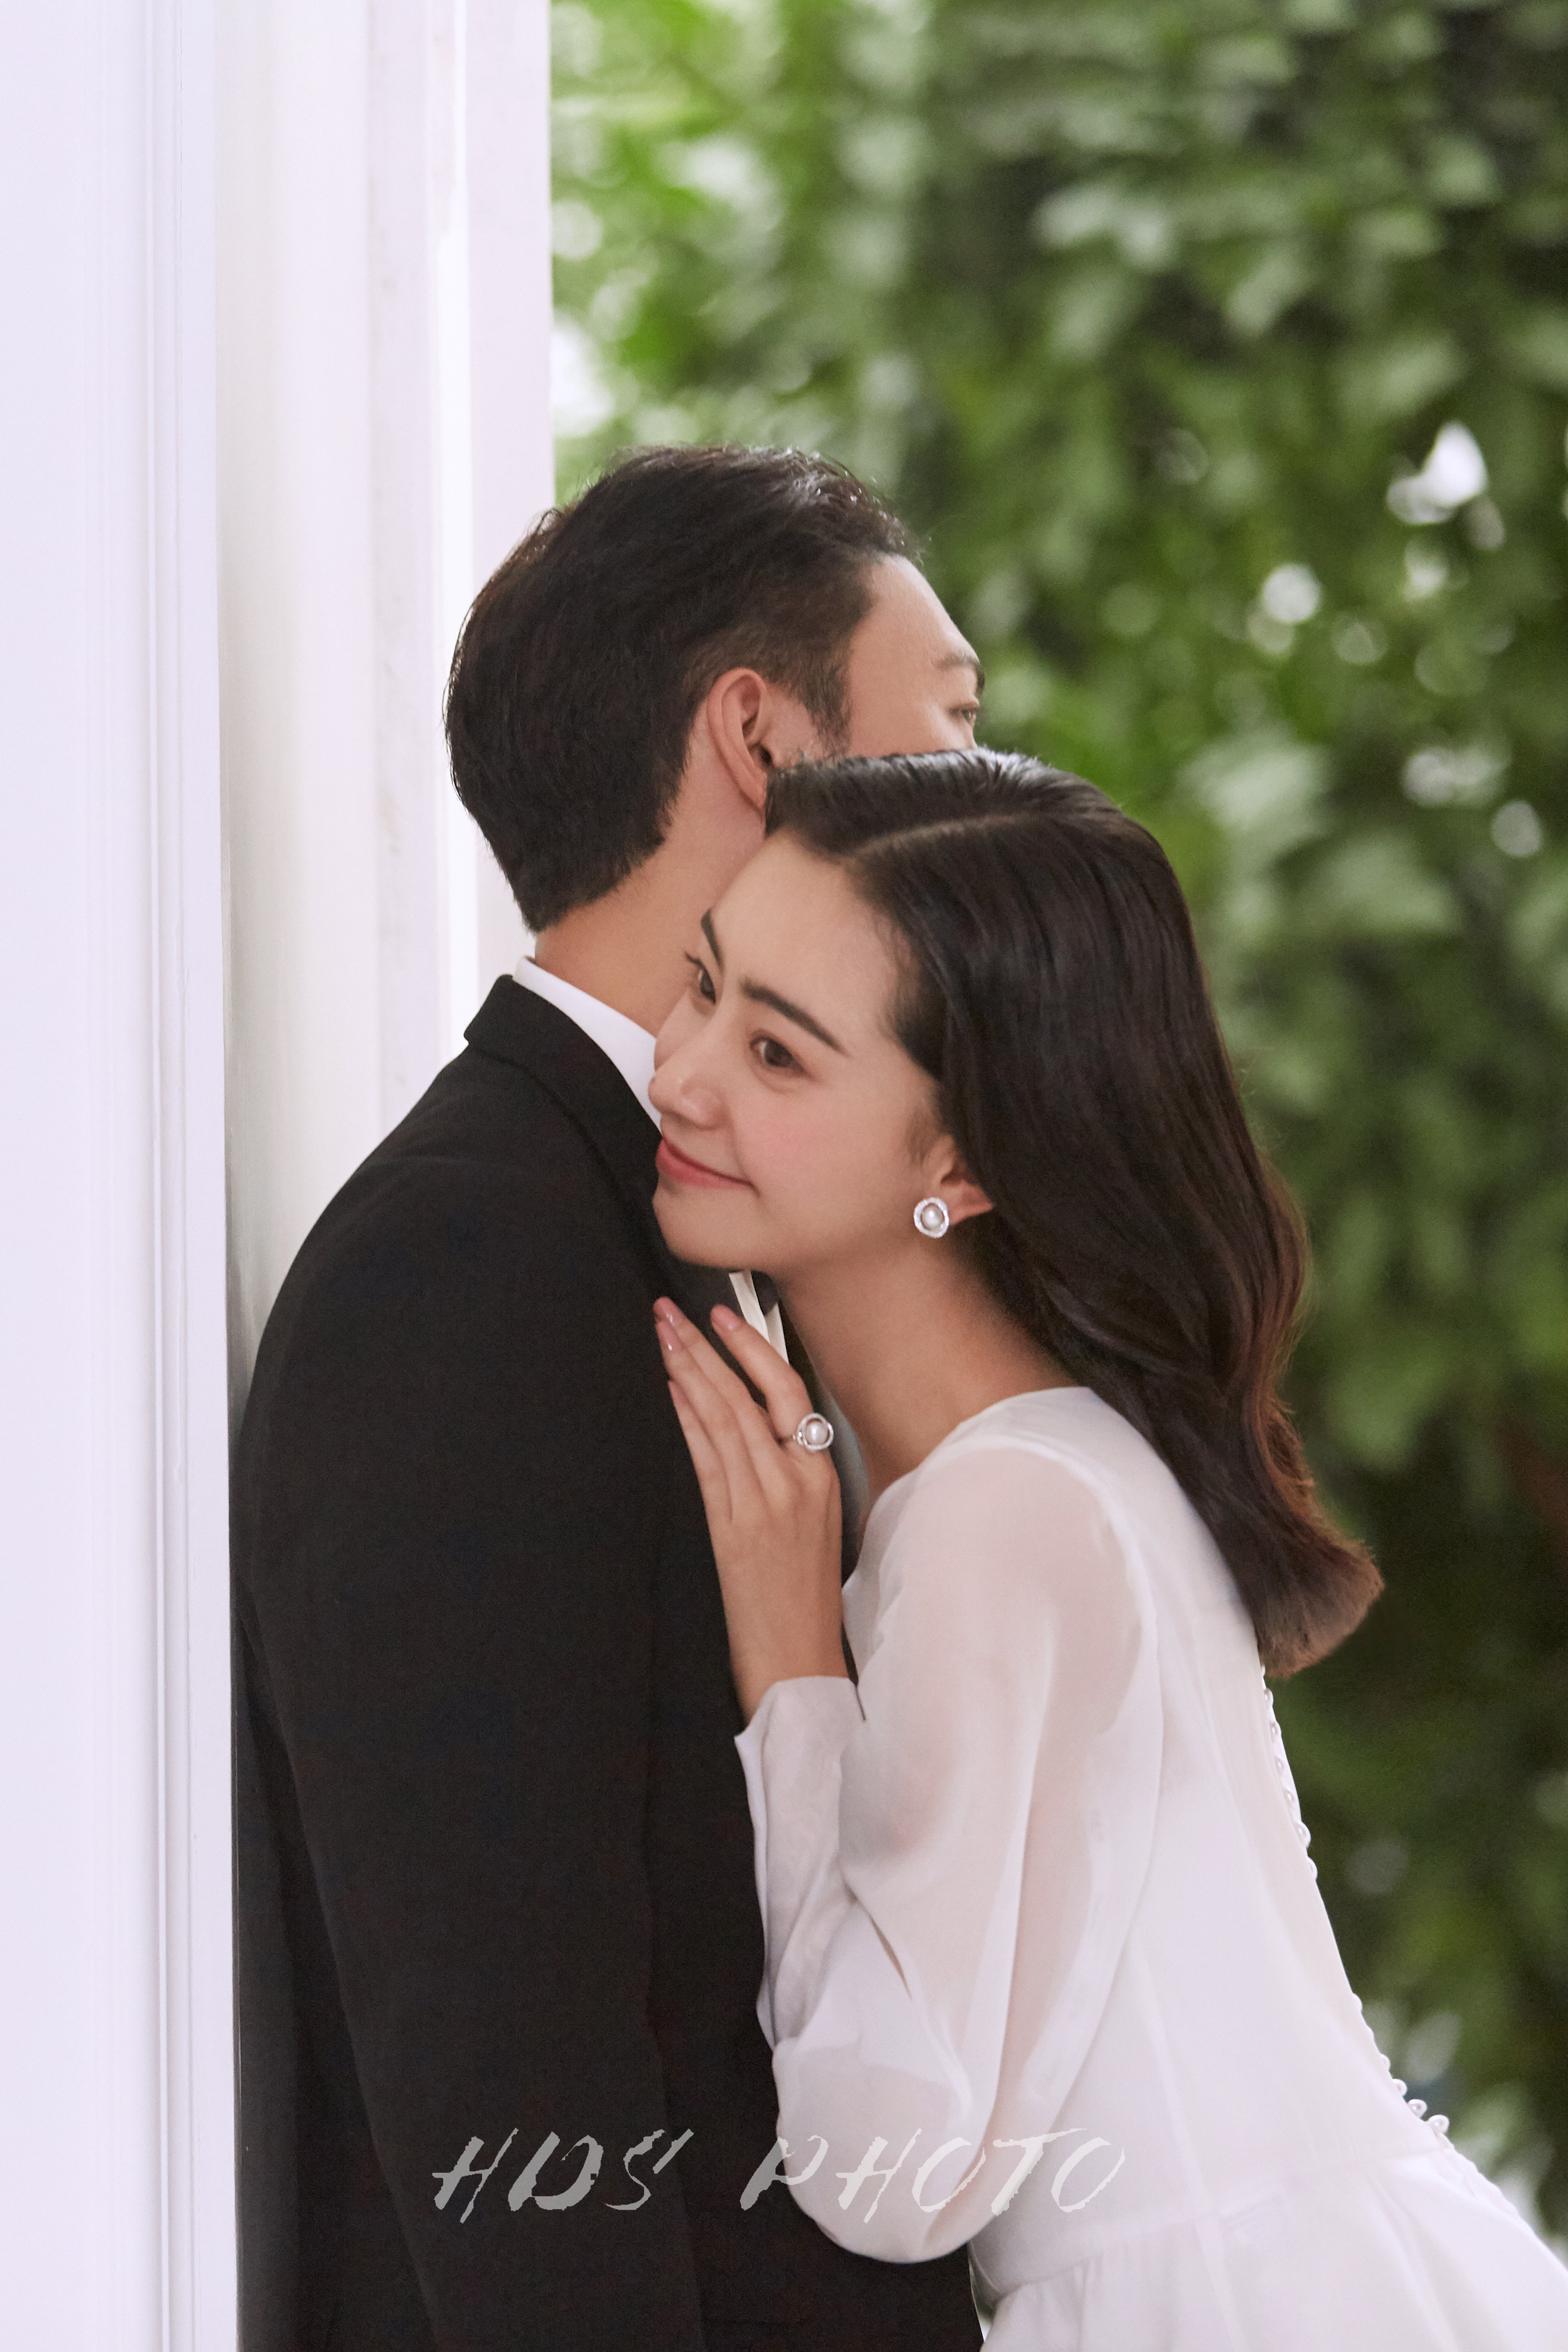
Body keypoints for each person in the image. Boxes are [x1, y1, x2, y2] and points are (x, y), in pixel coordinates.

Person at [648, 746, 1568, 2350]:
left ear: (960, 1163)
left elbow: (888, 2166)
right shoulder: (1022, 1472)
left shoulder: (1006, 1512)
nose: (681, 1073)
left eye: (777, 1052)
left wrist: (793, 1675)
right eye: (703, 985)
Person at [231, 446, 989, 2350]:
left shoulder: (699, 1216)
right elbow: (503, 2054)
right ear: (758, 737)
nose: (986, 795)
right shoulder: (469, 1261)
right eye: (951, 724)